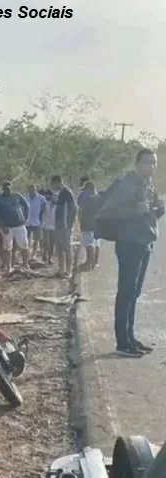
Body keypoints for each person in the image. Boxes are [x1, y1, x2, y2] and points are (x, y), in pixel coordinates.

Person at [95, 148, 165, 358]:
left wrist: (158, 209)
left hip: (144, 242)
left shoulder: (148, 185)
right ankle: (122, 343)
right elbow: (108, 211)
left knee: (133, 293)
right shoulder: (127, 184)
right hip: (129, 243)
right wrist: (137, 210)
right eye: (146, 163)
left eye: (153, 163)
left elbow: (149, 212)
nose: (151, 167)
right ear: (137, 164)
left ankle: (130, 337)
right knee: (126, 292)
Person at [0, 181, 31, 272]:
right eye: (5, 188)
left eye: (8, 188)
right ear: (2, 189)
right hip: (7, 226)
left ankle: (26, 264)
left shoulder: (17, 196)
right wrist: (2, 226)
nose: (7, 190)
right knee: (7, 247)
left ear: (11, 188)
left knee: (24, 245)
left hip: (19, 225)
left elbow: (26, 205)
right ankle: (8, 267)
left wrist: (26, 218)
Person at [51, 175, 77, 277]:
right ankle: (61, 270)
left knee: (67, 248)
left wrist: (69, 224)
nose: (53, 186)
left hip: (65, 226)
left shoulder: (67, 192)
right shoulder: (60, 193)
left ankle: (69, 271)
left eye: (53, 184)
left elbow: (73, 208)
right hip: (58, 225)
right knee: (59, 248)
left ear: (58, 182)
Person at [77, 180, 102, 271]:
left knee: (89, 244)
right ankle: (95, 262)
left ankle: (89, 262)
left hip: (87, 223)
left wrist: (80, 221)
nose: (84, 191)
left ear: (89, 189)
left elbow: (80, 210)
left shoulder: (85, 198)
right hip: (97, 224)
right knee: (96, 243)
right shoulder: (99, 198)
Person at [25, 184, 46, 259]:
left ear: (36, 190)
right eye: (30, 190)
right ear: (28, 190)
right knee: (27, 239)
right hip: (27, 222)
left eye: (33, 190)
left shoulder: (41, 198)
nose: (32, 191)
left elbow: (44, 207)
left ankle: (34, 254)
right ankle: (27, 254)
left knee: (36, 239)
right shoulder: (25, 197)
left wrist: (41, 217)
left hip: (37, 222)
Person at [41, 187, 57, 264]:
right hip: (45, 226)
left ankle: (50, 258)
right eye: (46, 195)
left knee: (52, 243)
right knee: (45, 242)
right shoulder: (44, 203)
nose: (48, 196)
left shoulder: (56, 205)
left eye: (49, 195)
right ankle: (44, 255)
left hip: (53, 226)